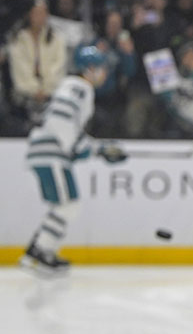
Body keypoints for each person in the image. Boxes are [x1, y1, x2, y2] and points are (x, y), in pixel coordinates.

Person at [19, 46, 125, 277]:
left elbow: (70, 129)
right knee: (68, 205)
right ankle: (39, 253)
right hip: (51, 153)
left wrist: (99, 150)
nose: (105, 73)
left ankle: (38, 251)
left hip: (48, 152)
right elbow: (61, 120)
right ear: (90, 68)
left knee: (66, 205)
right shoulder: (79, 87)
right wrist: (84, 148)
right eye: (102, 68)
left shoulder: (73, 86)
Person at [7, 0, 67, 124]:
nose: (40, 16)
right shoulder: (18, 39)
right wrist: (35, 90)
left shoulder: (56, 39)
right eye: (36, 13)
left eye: (43, 12)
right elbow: (20, 68)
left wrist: (46, 89)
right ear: (29, 14)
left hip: (51, 94)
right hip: (24, 96)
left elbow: (58, 66)